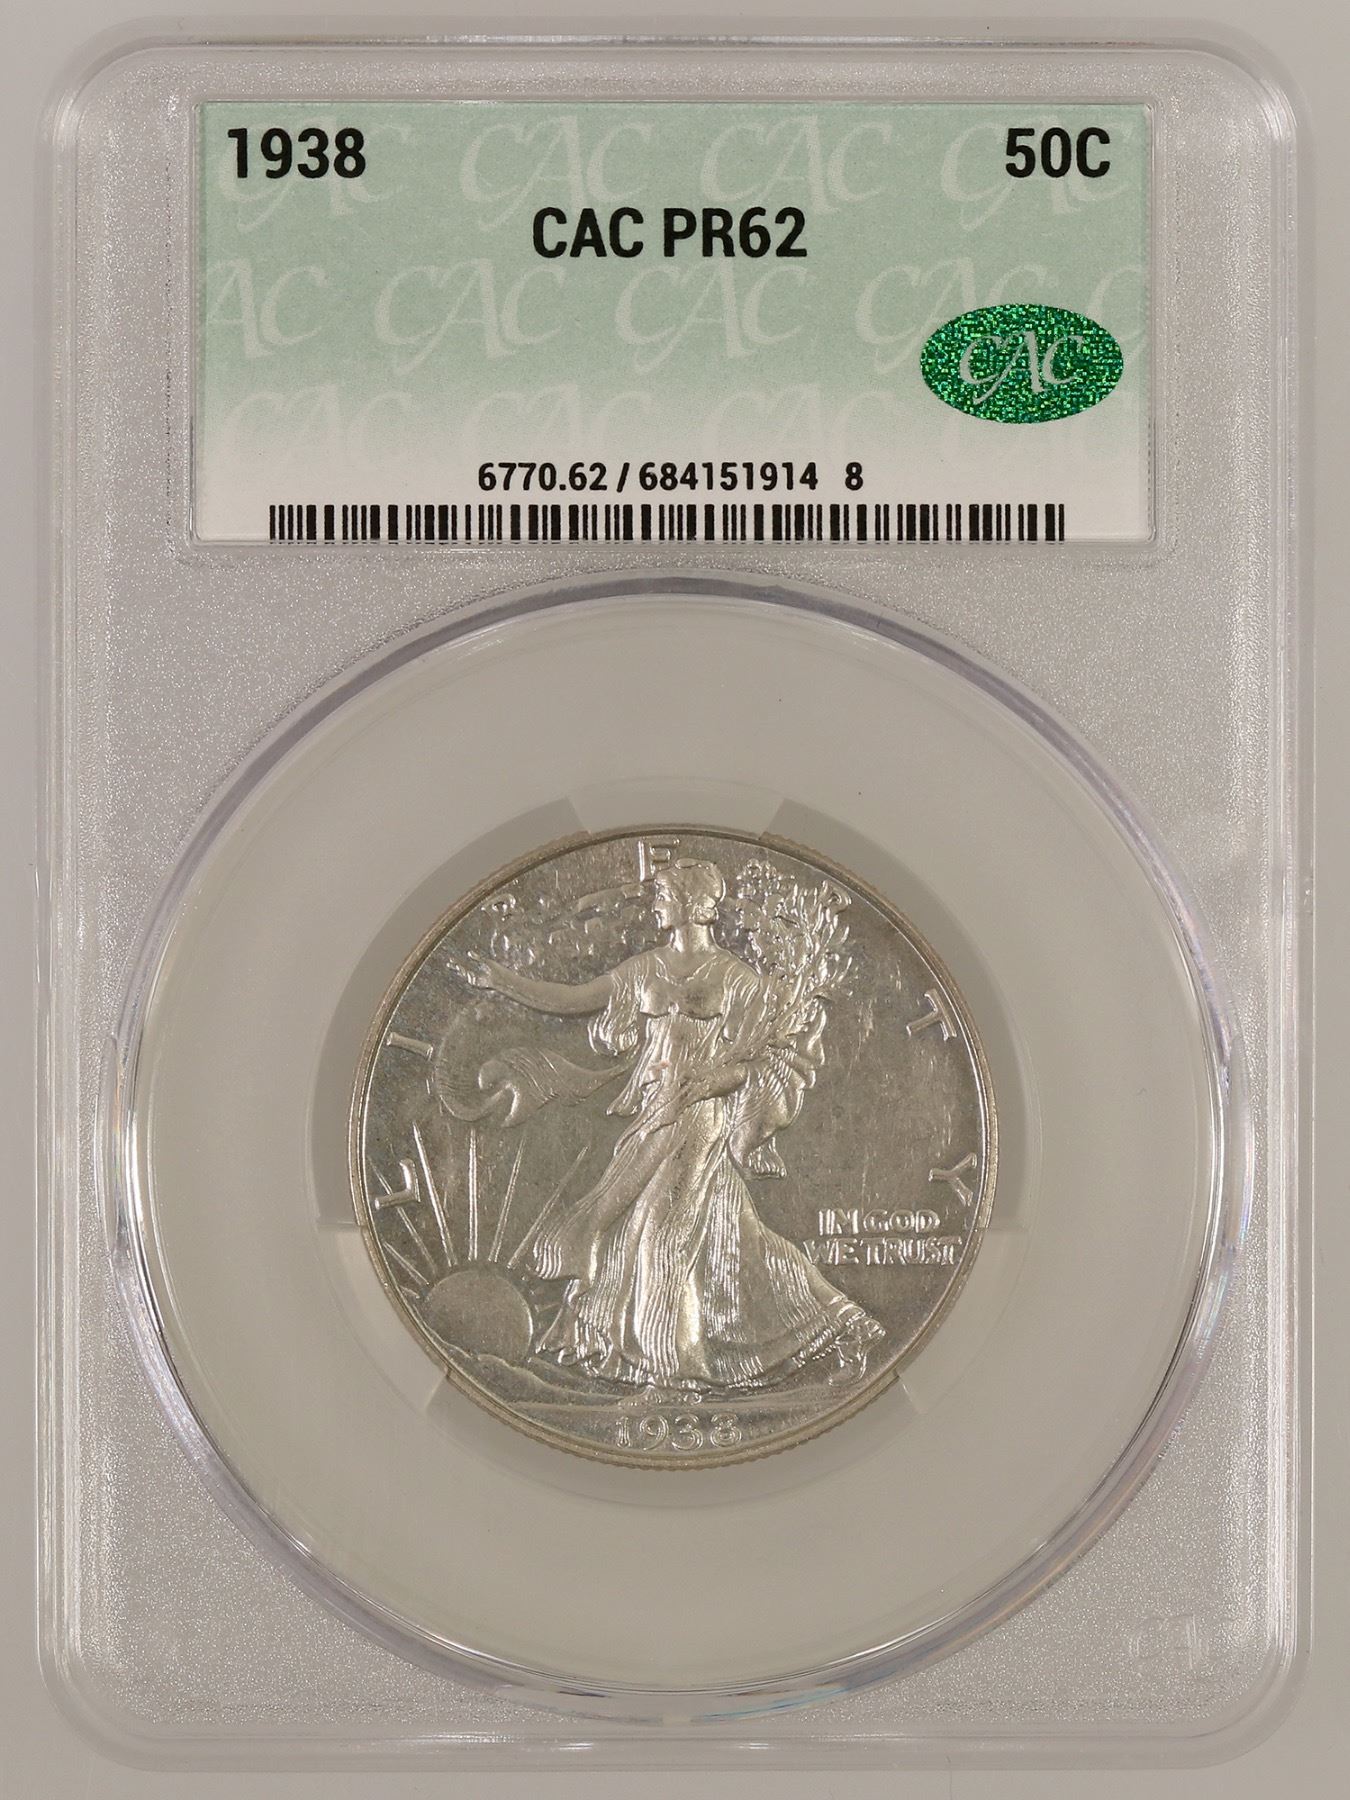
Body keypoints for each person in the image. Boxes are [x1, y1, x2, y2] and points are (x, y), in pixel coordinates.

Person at [450, 858, 882, 1391]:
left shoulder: (734, 978)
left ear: (693, 904)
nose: (654, 905)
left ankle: (675, 1372)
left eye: (663, 896)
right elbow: (572, 1001)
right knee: (716, 1236)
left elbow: (761, 1060)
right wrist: (503, 982)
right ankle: (841, 1324)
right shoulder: (644, 969)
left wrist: (708, 1081)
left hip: (699, 1119)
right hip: (653, 1115)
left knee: (661, 1238)